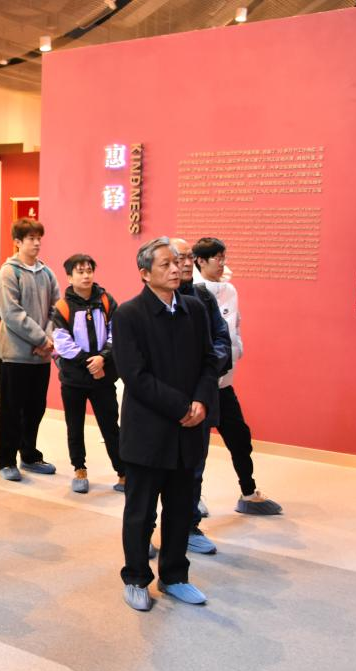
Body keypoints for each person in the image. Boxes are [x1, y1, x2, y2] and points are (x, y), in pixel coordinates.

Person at [111, 237, 219, 612]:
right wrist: (182, 406)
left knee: (180, 508)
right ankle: (136, 578)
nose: (176, 269)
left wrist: (202, 401)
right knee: (141, 513)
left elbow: (210, 360)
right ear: (145, 273)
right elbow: (134, 375)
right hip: (148, 431)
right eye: (166, 264)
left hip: (188, 429)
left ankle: (174, 577)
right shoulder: (129, 315)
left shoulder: (195, 309)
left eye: (177, 262)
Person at [192, 237, 283, 516]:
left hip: (225, 382)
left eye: (223, 257)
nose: (222, 263)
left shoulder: (230, 290)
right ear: (201, 261)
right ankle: (192, 498)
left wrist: (237, 349)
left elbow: (235, 326)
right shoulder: (192, 292)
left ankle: (249, 493)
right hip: (201, 385)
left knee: (240, 438)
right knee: (198, 448)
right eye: (217, 258)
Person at [174, 238, 232, 555]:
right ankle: (148, 530)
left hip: (200, 397)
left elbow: (221, 341)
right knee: (154, 474)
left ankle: (189, 526)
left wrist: (205, 372)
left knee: (194, 468)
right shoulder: (147, 306)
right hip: (166, 403)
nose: (184, 264)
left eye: (188, 257)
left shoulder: (203, 297)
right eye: (176, 258)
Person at [50, 253, 124, 494]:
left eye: (89, 270)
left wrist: (103, 357)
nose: (86, 275)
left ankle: (123, 472)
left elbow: (116, 332)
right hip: (74, 378)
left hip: (103, 376)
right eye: (80, 271)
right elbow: (62, 343)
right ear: (69, 277)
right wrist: (89, 362)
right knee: (75, 426)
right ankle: (79, 469)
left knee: (110, 426)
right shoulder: (63, 307)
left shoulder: (106, 300)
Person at [0, 217, 61, 481]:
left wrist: (48, 340)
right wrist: (41, 340)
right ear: (17, 242)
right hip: (15, 356)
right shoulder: (9, 272)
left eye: (38, 238)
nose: (36, 243)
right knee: (11, 410)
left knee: (35, 409)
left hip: (41, 358)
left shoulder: (47, 273)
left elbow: (57, 309)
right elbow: (12, 314)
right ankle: (6, 460)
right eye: (31, 238)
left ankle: (30, 455)